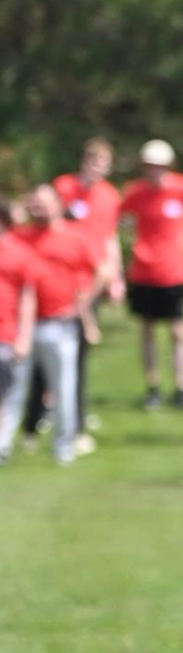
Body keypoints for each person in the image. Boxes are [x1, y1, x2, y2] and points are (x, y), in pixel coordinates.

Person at [11, 186, 101, 465]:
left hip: (60, 324)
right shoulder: (20, 236)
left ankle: (63, 446)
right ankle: (5, 445)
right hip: (22, 326)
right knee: (13, 388)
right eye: (35, 204)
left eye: (45, 203)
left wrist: (81, 307)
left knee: (63, 389)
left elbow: (100, 271)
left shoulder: (75, 236)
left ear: (58, 205)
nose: (39, 208)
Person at [119, 138, 183, 410]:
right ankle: (153, 386)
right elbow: (120, 215)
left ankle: (182, 386)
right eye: (149, 165)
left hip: (174, 271)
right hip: (144, 271)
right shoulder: (136, 192)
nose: (154, 170)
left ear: (168, 165)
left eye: (158, 165)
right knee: (147, 330)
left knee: (178, 331)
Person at [53, 136, 126, 452]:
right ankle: (44, 414)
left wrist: (116, 277)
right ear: (84, 160)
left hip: (91, 281)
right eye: (94, 160)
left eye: (104, 163)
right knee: (51, 349)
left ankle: (76, 421)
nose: (98, 167)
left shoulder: (109, 196)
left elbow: (110, 237)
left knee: (78, 353)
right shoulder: (64, 187)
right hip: (61, 279)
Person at [0, 197, 38, 465]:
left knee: (5, 393)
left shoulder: (18, 252)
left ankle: (2, 444)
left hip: (5, 335)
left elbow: (27, 296)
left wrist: (24, 336)